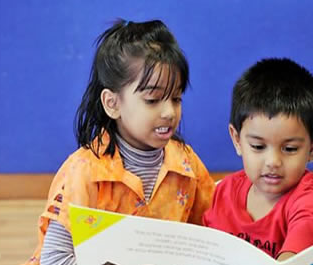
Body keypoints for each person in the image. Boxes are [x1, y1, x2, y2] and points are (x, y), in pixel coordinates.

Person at [23, 19, 215, 265]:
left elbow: (211, 233)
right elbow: (55, 259)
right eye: (153, 100)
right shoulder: (84, 172)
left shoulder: (188, 164)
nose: (169, 112)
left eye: (176, 98)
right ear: (112, 104)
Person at [202, 58, 313, 261]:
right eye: (258, 147)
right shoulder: (223, 193)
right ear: (237, 139)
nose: (273, 161)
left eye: (290, 149)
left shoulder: (310, 205)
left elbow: (295, 257)